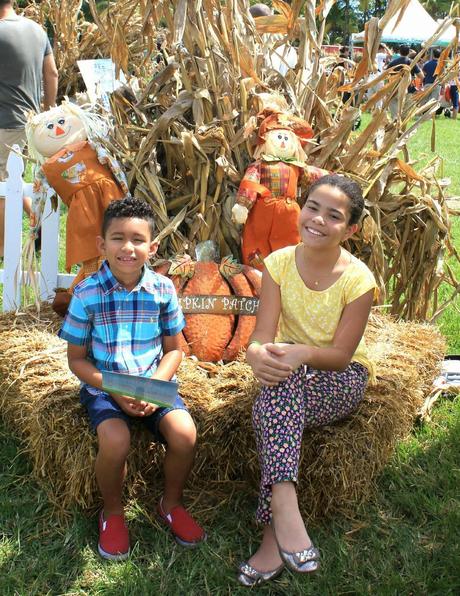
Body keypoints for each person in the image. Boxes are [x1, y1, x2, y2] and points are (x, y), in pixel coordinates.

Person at [237, 174, 377, 587]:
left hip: (339, 377)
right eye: (312, 207)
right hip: (289, 371)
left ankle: (273, 527)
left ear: (350, 230)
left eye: (333, 216)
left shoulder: (358, 279)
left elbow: (341, 356)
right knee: (279, 393)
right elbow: (262, 336)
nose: (317, 219)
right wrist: (256, 353)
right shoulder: (278, 264)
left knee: (273, 400)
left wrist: (300, 354)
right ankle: (285, 507)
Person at [58, 197, 206, 560]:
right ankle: (112, 512)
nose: (128, 247)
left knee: (185, 433)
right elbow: (77, 360)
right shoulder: (86, 293)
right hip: (105, 384)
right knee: (115, 440)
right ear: (101, 245)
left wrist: (153, 386)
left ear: (153, 247)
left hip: (152, 380)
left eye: (138, 239)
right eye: (118, 238)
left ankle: (170, 503)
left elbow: (174, 349)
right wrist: (116, 389)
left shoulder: (162, 289)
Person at [0, 0, 58, 256]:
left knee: (2, 187)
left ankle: (2, 248)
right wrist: (48, 113)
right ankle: (40, 224)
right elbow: (52, 74)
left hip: (3, 121)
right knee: (13, 180)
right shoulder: (37, 30)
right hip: (29, 123)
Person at [385, 45, 423, 118]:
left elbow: (386, 75)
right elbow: (421, 76)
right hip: (408, 89)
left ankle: (395, 125)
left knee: (395, 115)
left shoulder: (393, 62)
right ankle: (401, 128)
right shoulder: (411, 62)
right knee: (404, 115)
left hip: (394, 89)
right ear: (408, 52)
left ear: (399, 52)